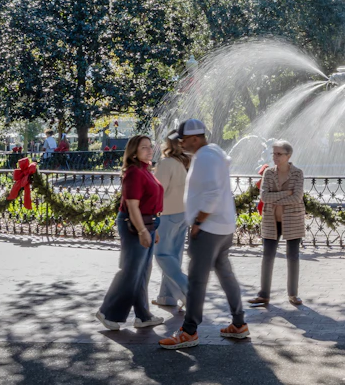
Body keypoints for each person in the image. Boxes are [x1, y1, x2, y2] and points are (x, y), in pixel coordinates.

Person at [159, 119, 249, 348]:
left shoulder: (206, 157)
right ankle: (239, 324)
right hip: (223, 226)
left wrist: (199, 220)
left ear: (195, 138)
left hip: (209, 228)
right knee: (225, 275)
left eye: (184, 140)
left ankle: (189, 331)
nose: (180, 144)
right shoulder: (213, 153)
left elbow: (213, 191)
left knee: (197, 280)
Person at [96, 135, 165, 330]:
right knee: (130, 272)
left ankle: (143, 316)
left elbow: (148, 203)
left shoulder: (146, 170)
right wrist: (143, 231)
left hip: (148, 223)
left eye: (150, 147)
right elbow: (132, 206)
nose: (149, 150)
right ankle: (107, 312)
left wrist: (153, 229)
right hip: (134, 224)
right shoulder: (134, 172)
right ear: (133, 151)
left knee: (142, 272)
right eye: (144, 147)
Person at [249, 140, 306, 308]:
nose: (275, 157)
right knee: (267, 257)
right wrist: (285, 193)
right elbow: (264, 197)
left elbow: (297, 197)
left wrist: (278, 196)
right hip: (270, 220)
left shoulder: (297, 173)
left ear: (288, 156)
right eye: (274, 153)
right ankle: (263, 295)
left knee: (293, 257)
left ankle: (293, 294)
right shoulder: (268, 173)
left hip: (292, 219)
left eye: (279, 154)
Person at [152, 135, 190, 311]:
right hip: (182, 213)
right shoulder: (184, 162)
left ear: (168, 144)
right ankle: (167, 297)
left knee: (162, 256)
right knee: (174, 255)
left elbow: (158, 190)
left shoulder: (166, 163)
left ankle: (187, 290)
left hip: (167, 214)